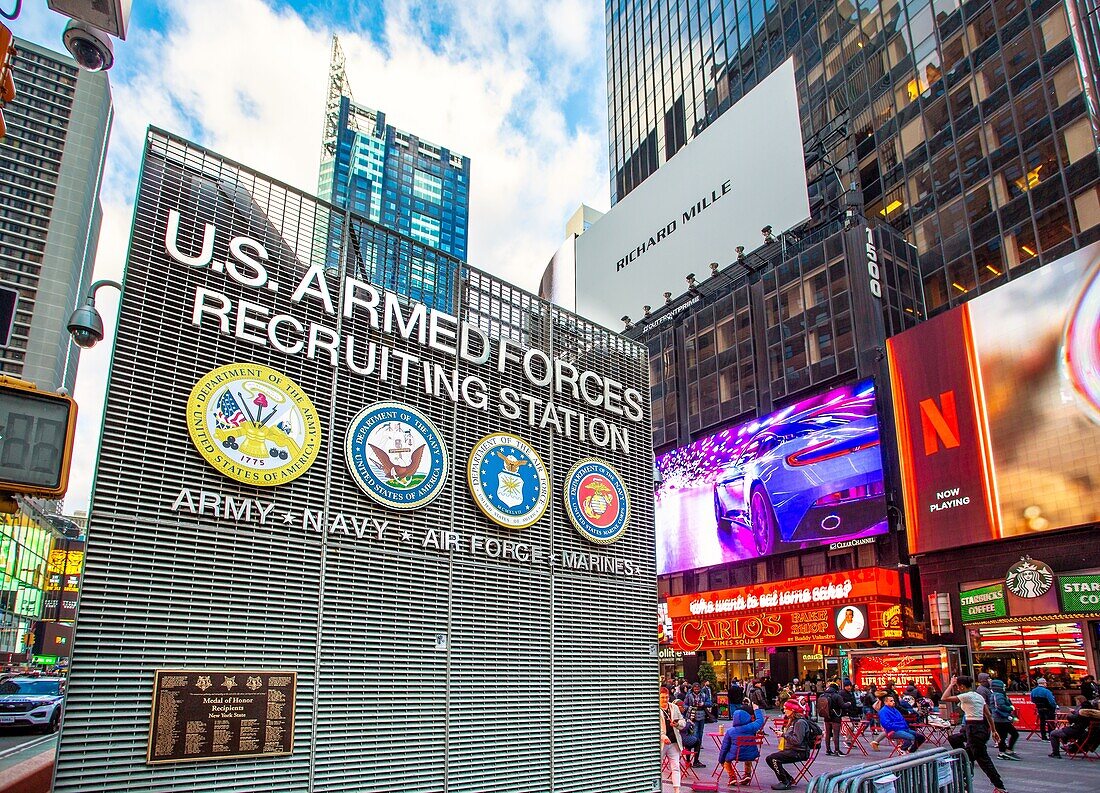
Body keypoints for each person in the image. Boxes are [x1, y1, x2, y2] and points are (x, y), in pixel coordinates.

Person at [944, 675, 1007, 793]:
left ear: (962, 686)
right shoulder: (978, 696)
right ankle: (967, 768)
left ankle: (1000, 786)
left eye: (957, 686)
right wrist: (993, 730)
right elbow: (988, 715)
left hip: (973, 728)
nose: (957, 689)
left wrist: (951, 684)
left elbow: (945, 697)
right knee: (956, 740)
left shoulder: (966, 696)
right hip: (979, 727)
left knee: (983, 759)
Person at [765, 699, 817, 790]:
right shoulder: (794, 721)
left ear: (792, 710)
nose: (784, 710)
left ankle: (785, 782)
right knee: (770, 758)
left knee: (773, 759)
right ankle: (788, 778)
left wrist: (783, 735)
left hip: (799, 751)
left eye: (786, 709)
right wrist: (783, 733)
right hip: (794, 749)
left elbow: (797, 740)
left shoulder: (800, 723)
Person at [718, 704, 766, 786]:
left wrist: (721, 760)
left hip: (736, 755)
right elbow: (760, 721)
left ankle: (732, 777)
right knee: (747, 756)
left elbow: (724, 747)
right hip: (751, 755)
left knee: (726, 761)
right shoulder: (751, 727)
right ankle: (747, 774)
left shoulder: (731, 731)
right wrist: (756, 710)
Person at [661, 693, 688, 793]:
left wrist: (677, 724)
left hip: (674, 742)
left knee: (676, 766)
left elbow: (683, 722)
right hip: (662, 743)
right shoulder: (656, 708)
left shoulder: (674, 707)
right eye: (662, 697)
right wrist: (662, 736)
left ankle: (677, 789)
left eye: (666, 697)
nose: (665, 700)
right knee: (657, 767)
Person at [990, 679, 1020, 760]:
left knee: (1003, 736)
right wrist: (1010, 708)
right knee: (1013, 734)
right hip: (1001, 719)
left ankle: (1004, 751)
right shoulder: (999, 695)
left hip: (999, 719)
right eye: (1003, 685)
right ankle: (1006, 751)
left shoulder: (996, 694)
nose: (1005, 687)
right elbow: (1000, 706)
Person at [684, 682, 711, 767]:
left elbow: (710, 702)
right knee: (693, 736)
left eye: (698, 689)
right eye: (695, 689)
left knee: (700, 735)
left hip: (701, 716)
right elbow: (685, 704)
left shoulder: (703, 695)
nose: (696, 690)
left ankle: (696, 759)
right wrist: (690, 707)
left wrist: (703, 704)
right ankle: (689, 759)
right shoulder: (689, 695)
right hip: (692, 717)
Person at [817, 682, 844, 756]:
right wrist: (848, 704)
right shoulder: (837, 696)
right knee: (836, 734)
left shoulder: (822, 695)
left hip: (826, 717)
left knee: (828, 734)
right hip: (836, 716)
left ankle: (828, 750)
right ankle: (836, 750)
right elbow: (842, 705)